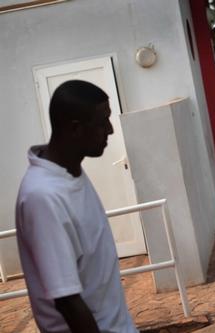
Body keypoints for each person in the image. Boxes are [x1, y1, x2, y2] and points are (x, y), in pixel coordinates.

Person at [15, 80, 138, 333]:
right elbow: (67, 300)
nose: (111, 130)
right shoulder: (43, 197)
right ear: (75, 129)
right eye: (102, 122)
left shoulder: (70, 173)